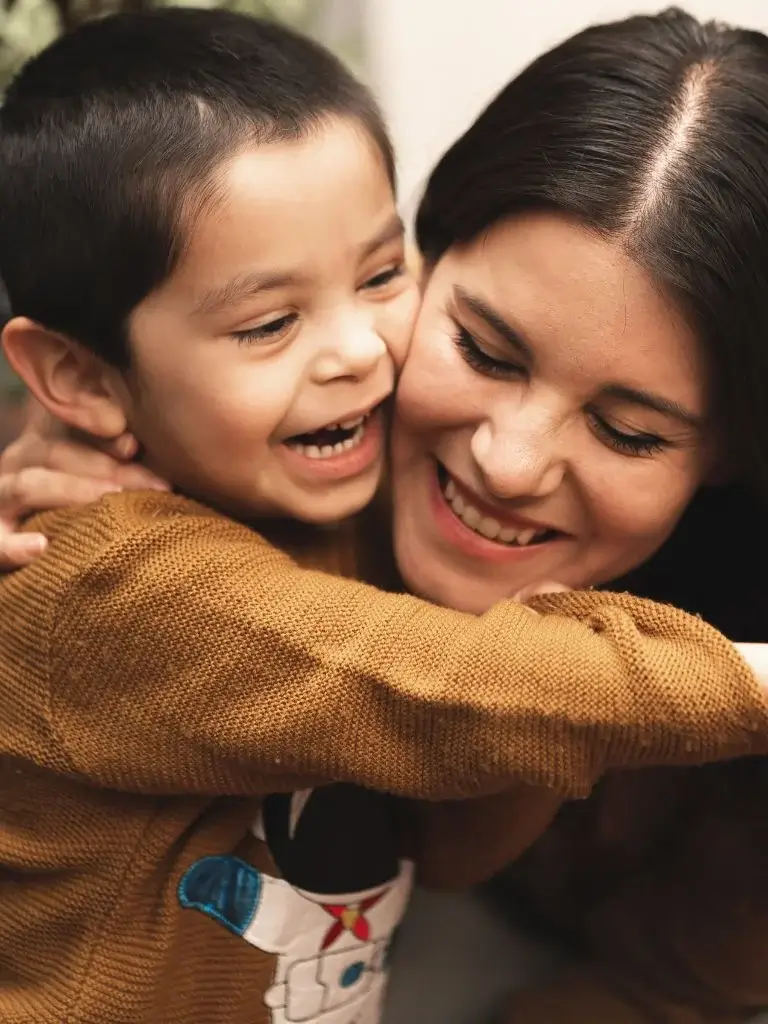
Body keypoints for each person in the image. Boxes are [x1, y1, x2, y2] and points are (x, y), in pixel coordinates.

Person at [3, 6, 768, 1024]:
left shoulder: (346, 535)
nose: (509, 461)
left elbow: (438, 832)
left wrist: (534, 656)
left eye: (628, 431)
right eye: (485, 351)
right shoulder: (121, 546)